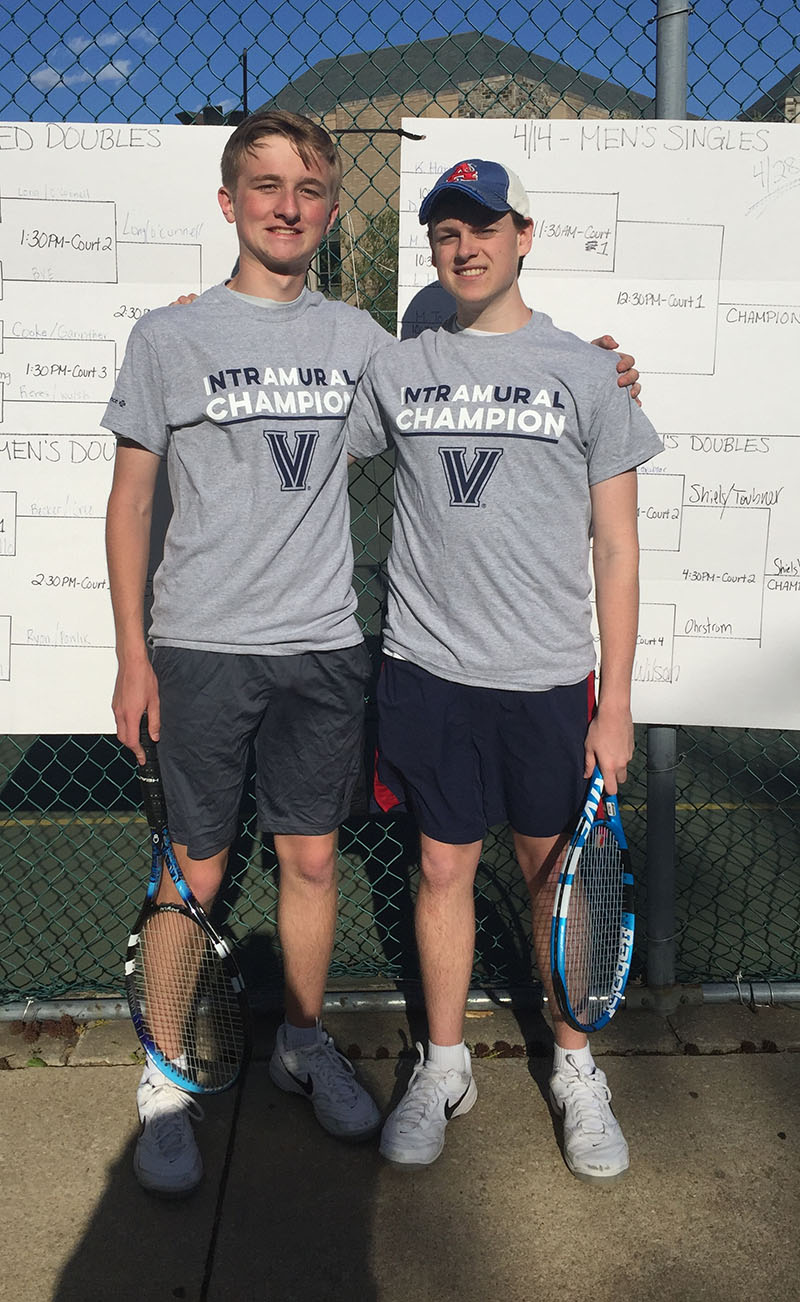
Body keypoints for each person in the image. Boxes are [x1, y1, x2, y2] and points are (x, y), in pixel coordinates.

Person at [103, 114, 641, 1197]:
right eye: (264, 186)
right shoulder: (171, 340)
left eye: (307, 187)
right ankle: (165, 1079)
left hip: (329, 653)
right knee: (194, 872)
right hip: (205, 651)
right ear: (228, 204)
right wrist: (130, 655)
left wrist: (602, 367)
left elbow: (533, 450)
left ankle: (307, 1043)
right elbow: (130, 501)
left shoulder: (366, 344)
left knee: (312, 860)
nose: (286, 204)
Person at [344, 158, 662, 1182]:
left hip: (545, 680)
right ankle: (443, 1065)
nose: (462, 245)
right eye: (443, 231)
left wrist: (612, 705)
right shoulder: (399, 366)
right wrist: (197, 315)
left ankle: (573, 1066)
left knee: (547, 875)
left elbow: (614, 548)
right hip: (427, 670)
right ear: (432, 249)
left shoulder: (585, 369)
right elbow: (291, 426)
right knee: (440, 867)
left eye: (481, 226)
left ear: (522, 235)